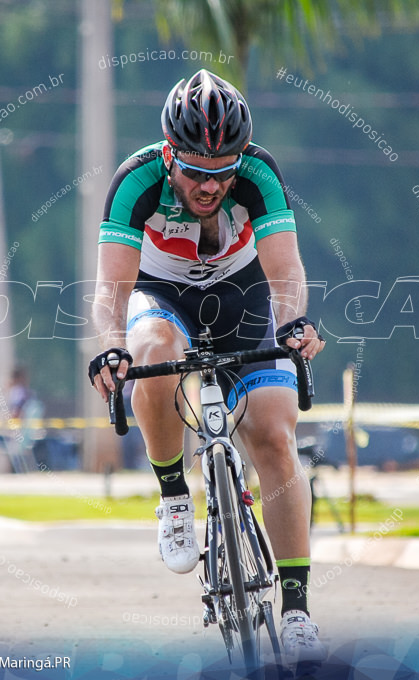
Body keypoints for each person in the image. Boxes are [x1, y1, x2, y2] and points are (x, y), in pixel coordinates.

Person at [87, 69, 326, 663]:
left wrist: (293, 321)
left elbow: (285, 272)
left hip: (244, 295)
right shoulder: (136, 181)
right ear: (170, 154)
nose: (209, 185)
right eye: (194, 170)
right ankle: (173, 496)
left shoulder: (259, 174)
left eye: (222, 172)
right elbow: (110, 292)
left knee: (274, 435)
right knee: (151, 351)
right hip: (162, 296)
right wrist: (112, 346)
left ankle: (296, 611)